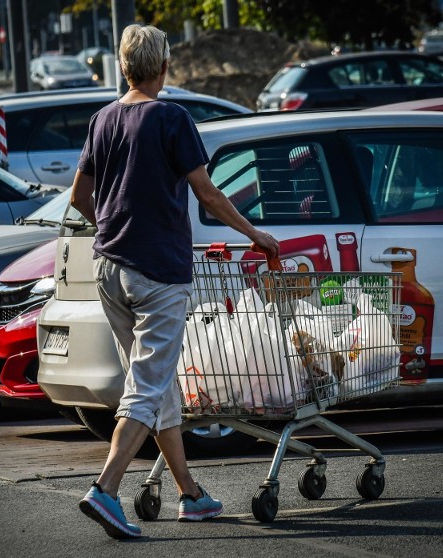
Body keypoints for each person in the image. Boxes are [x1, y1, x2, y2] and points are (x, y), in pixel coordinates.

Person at [70, 23, 280, 540]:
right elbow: (208, 194)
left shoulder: (102, 119)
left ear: (123, 67)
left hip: (109, 269)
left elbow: (78, 196)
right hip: (158, 272)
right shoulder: (172, 118)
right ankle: (106, 489)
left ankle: (190, 493)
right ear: (164, 67)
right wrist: (256, 235)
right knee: (147, 388)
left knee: (157, 387)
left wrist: (112, 226)